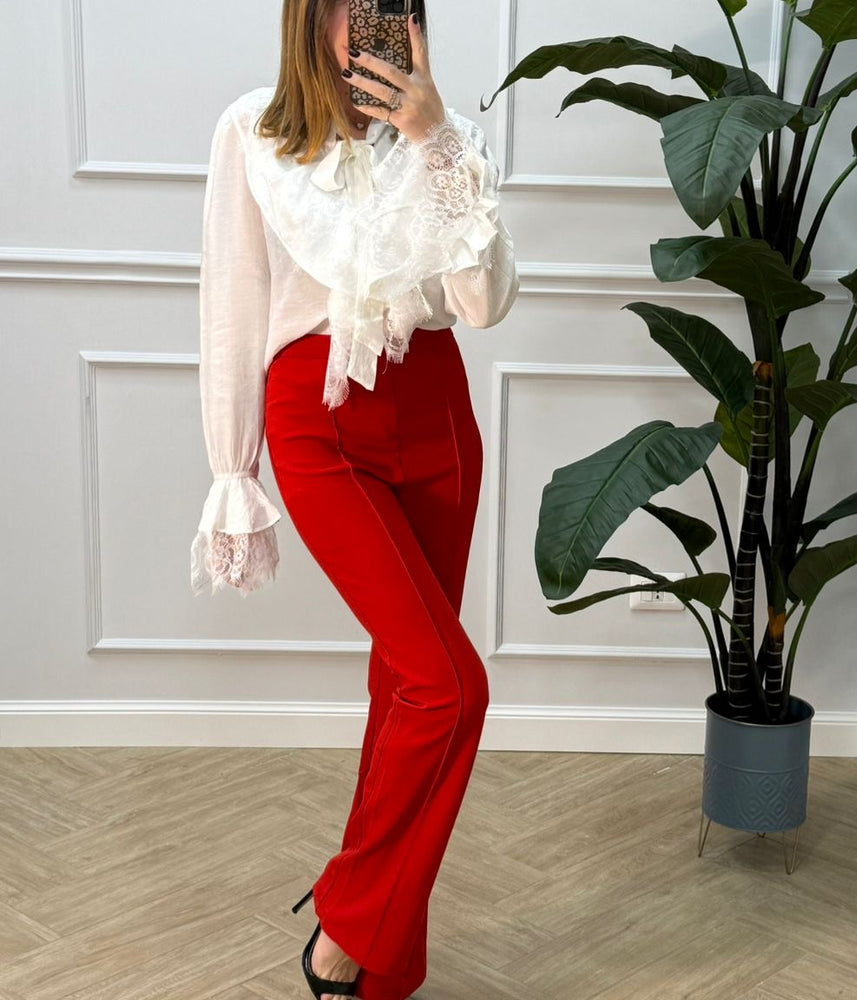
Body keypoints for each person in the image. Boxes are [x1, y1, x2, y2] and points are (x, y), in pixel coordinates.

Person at [188, 0, 519, 997]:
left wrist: (434, 138)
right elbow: (233, 306)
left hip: (438, 415)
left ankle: (384, 964)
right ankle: (344, 925)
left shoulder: (448, 142)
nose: (377, 22)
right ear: (313, 15)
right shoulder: (252, 131)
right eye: (354, 4)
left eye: (395, 3)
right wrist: (232, 469)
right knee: (450, 686)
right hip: (319, 415)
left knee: (407, 689)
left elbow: (484, 304)